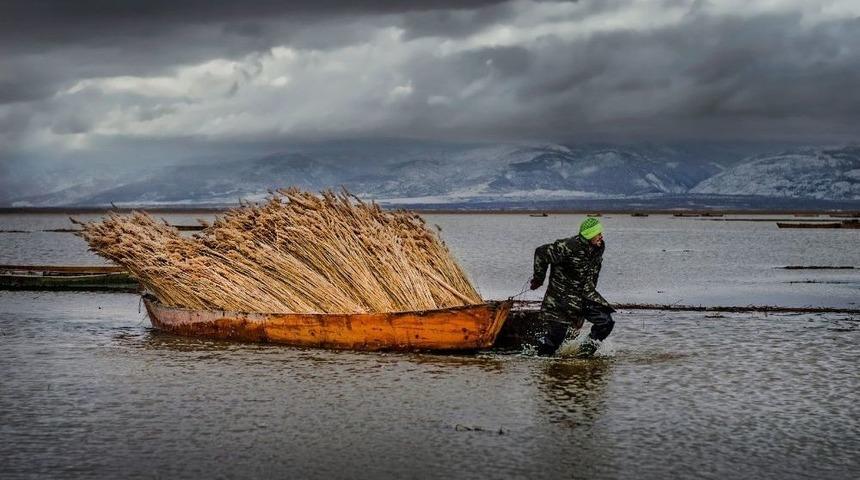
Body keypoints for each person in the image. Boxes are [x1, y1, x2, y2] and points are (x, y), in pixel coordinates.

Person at [529, 217, 615, 357]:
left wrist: (580, 316)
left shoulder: (598, 248)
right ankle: (539, 360)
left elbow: (593, 274)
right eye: (598, 233)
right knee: (554, 341)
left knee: (606, 322)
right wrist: (538, 279)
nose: (601, 236)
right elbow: (541, 252)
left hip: (585, 298)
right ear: (589, 234)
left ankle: (583, 354)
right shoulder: (568, 246)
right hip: (560, 301)